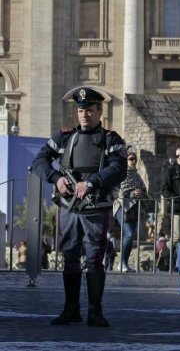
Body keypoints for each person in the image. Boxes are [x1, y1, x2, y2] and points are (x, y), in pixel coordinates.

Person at [32, 86, 127, 328]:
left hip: (96, 207)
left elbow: (119, 168)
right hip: (69, 207)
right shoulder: (63, 137)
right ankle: (70, 309)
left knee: (94, 259)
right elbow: (39, 160)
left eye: (89, 110)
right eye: (80, 110)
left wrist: (93, 181)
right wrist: (56, 178)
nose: (84, 114)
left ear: (99, 111)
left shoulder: (111, 139)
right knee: (70, 258)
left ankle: (95, 312)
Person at [113, 149, 147, 272]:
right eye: (130, 159)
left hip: (133, 209)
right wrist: (132, 194)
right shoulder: (120, 173)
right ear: (126, 160)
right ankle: (121, 263)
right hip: (121, 207)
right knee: (128, 234)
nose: (133, 161)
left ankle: (124, 264)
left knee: (130, 236)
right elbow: (118, 191)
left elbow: (144, 189)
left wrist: (140, 193)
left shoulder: (137, 175)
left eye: (134, 159)